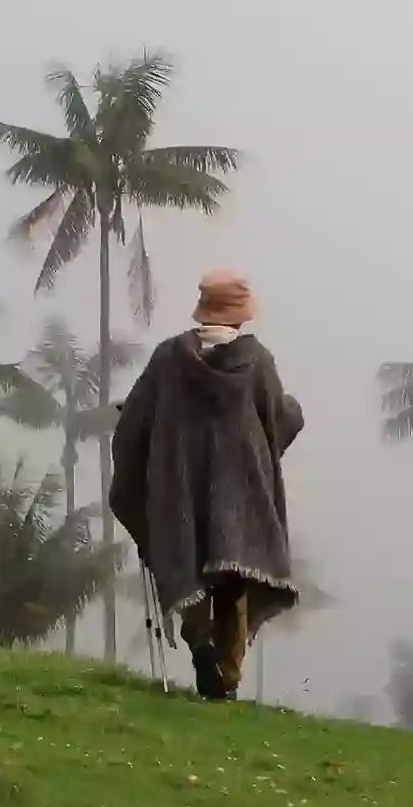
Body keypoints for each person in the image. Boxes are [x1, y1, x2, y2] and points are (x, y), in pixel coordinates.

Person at [109, 269, 305, 701]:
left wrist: (141, 419)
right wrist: (295, 411)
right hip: (239, 494)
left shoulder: (168, 359)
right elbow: (276, 418)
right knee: (234, 582)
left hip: (180, 489)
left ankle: (200, 645)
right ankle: (227, 679)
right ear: (240, 317)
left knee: (187, 563)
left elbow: (137, 418)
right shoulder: (257, 363)